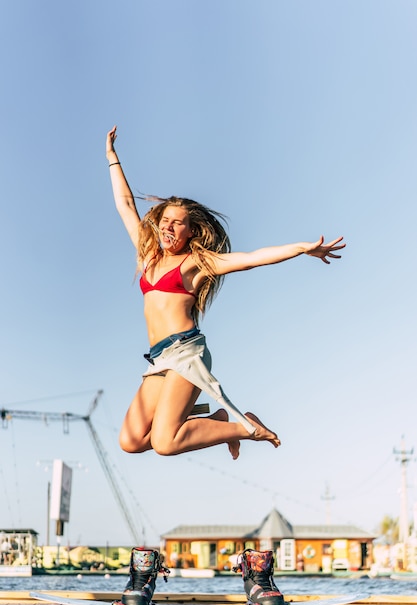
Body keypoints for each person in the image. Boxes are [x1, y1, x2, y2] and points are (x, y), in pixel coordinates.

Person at [106, 126, 345, 463]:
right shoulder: (148, 258)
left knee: (165, 442)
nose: (168, 227)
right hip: (159, 358)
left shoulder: (196, 264)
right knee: (130, 441)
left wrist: (303, 248)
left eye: (178, 223)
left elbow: (250, 259)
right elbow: (126, 206)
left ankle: (244, 428)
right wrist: (112, 158)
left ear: (191, 232)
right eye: (165, 221)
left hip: (185, 354)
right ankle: (216, 422)